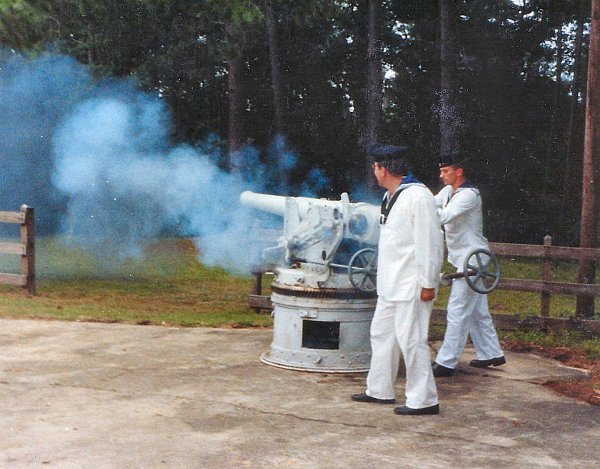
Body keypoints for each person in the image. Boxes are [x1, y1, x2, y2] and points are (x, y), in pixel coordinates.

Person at [352, 144, 443, 416]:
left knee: (412, 341)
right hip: (390, 285)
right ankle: (379, 390)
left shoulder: (418, 197)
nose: (374, 171)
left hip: (411, 285)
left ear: (385, 169)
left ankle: (424, 400)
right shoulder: (390, 197)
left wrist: (428, 283)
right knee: (381, 335)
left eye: (376, 166)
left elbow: (430, 244)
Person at [431, 153, 506, 378]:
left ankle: (446, 362)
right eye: (441, 171)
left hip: (473, 261)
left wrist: (421, 210)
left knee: (457, 310)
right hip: (462, 258)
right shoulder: (448, 192)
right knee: (477, 312)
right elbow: (431, 202)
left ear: (459, 171)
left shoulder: (469, 196)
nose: (441, 175)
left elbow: (445, 217)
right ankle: (491, 353)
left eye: (446, 171)